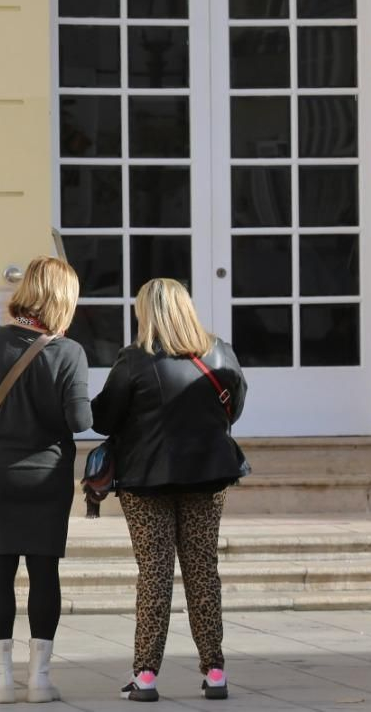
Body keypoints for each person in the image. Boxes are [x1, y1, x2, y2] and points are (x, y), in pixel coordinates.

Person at [91, 278, 248, 703]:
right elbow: (236, 404)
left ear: (146, 312)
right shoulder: (219, 350)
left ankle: (145, 677)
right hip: (208, 476)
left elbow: (103, 419)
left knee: (155, 575)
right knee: (203, 572)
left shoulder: (134, 359)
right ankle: (215, 671)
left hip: (147, 481)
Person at [0, 256, 89, 705]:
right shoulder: (70, 353)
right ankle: (40, 679)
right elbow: (80, 420)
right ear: (64, 300)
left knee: (0, 571)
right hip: (48, 477)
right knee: (45, 571)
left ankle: (0, 678)